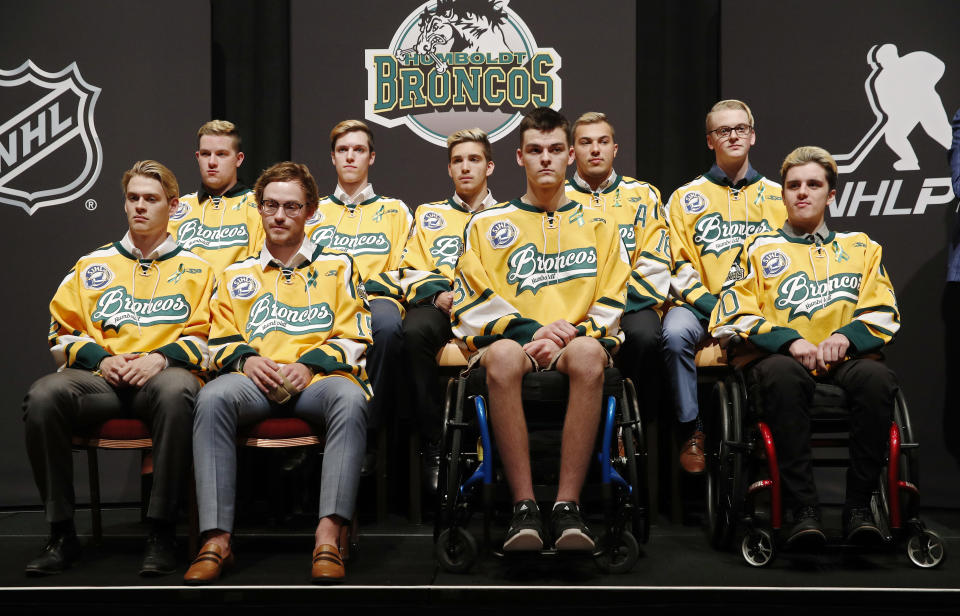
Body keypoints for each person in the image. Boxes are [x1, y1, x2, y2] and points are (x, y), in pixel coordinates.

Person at [451, 108, 631, 551]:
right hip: (513, 345)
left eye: (554, 150)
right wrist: (534, 333)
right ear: (519, 157)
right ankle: (524, 507)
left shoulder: (602, 225)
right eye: (535, 150)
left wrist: (568, 336)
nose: (545, 159)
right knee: (505, 355)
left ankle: (567, 507)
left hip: (576, 343)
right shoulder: (486, 225)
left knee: (590, 354)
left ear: (570, 155)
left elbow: (613, 299)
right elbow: (470, 303)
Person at [23, 161, 214, 576]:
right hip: (100, 382)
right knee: (42, 396)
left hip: (161, 380)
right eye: (133, 198)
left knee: (178, 389)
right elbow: (62, 331)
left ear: (173, 206)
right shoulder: (93, 265)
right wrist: (104, 359)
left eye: (151, 199)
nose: (140, 207)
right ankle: (61, 533)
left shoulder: (199, 269)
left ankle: (161, 531)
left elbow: (210, 338)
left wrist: (159, 358)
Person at [185, 162, 371, 584]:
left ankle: (328, 535)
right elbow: (218, 338)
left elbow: (357, 333)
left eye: (291, 206)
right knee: (211, 398)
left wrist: (309, 365)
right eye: (271, 205)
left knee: (351, 399)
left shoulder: (338, 267)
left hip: (316, 384)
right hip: (254, 382)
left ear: (310, 211)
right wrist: (248, 360)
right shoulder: (236, 274)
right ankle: (216, 540)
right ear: (259, 208)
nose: (280, 215)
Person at [711, 146, 899, 547]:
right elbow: (730, 314)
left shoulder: (862, 247)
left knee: (878, 378)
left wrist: (845, 338)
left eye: (813, 184)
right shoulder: (757, 249)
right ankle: (804, 509)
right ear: (783, 195)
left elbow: (883, 310)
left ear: (831, 195)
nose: (802, 192)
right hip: (778, 361)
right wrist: (789, 341)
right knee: (782, 375)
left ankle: (859, 509)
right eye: (793, 185)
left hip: (842, 358)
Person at [367, 128, 497, 492]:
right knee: (412, 333)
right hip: (442, 303)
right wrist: (438, 293)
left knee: (504, 345)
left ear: (490, 167)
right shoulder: (429, 214)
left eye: (474, 160)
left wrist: (478, 297)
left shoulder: (508, 215)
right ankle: (434, 444)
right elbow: (409, 267)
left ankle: (489, 447)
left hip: (490, 306)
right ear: (449, 169)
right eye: (458, 161)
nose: (465, 167)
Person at [663, 99, 784, 474]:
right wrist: (715, 306)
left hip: (759, 308)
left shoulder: (780, 196)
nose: (733, 136)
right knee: (673, 332)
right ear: (709, 141)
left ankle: (764, 433)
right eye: (723, 130)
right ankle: (692, 431)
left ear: (753, 135)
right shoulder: (685, 198)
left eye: (740, 129)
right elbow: (676, 263)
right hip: (701, 306)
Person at [305, 120, 410, 439]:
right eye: (343, 150)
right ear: (333, 158)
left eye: (359, 150)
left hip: (376, 300)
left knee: (388, 327)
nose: (350, 157)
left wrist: (367, 289)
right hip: (322, 300)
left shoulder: (396, 210)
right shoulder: (312, 212)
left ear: (371, 157)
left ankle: (370, 435)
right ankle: (311, 432)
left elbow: (406, 267)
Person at [565, 111, 669, 425]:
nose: (595, 149)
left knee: (646, 337)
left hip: (631, 306)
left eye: (602, 141)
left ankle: (635, 426)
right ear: (573, 153)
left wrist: (613, 304)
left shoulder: (643, 195)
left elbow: (656, 261)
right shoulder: (558, 199)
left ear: (615, 149)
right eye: (585, 142)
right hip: (577, 307)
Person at [168, 120, 262, 274]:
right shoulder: (177, 208)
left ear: (239, 159)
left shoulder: (259, 207)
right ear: (198, 157)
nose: (212, 162)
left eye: (221, 154)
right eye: (205, 154)